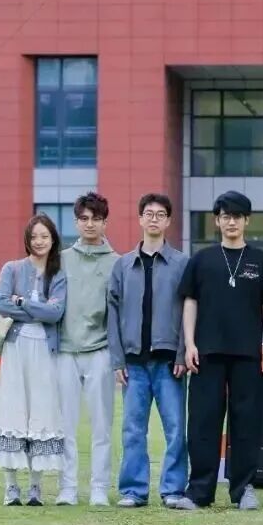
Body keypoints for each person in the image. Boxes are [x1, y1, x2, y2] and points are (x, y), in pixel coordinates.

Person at [174, 191, 263, 511]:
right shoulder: (201, 260)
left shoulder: (261, 261)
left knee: (246, 422)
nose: (231, 222)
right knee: (203, 422)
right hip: (207, 353)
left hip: (248, 354)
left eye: (237, 216)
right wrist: (190, 343)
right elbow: (190, 302)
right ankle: (199, 491)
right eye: (225, 217)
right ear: (217, 221)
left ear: (247, 220)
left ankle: (244, 488)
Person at [107, 194, 189, 509]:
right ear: (140, 219)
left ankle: (173, 489)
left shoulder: (181, 264)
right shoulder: (123, 265)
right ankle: (133, 490)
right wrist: (117, 359)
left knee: (175, 429)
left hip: (169, 363)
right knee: (132, 430)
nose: (154, 219)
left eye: (160, 214)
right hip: (133, 363)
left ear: (168, 221)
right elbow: (112, 314)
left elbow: (189, 312)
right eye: (149, 214)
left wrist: (182, 353)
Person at [0, 214, 68, 506]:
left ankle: (35, 487)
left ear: (53, 239)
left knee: (41, 413)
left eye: (44, 236)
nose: (39, 241)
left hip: (45, 352)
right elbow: (0, 303)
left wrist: (21, 302)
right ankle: (11, 487)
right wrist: (37, 308)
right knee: (12, 412)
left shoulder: (58, 275)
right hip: (14, 349)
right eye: (34, 237)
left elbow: (55, 314)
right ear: (27, 240)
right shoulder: (12, 268)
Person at [57, 192, 119, 506]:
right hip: (65, 352)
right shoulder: (61, 259)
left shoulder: (118, 263)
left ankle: (99, 489)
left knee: (101, 427)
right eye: (84, 218)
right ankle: (67, 489)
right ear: (76, 222)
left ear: (105, 222)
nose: (90, 224)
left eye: (96, 218)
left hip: (100, 351)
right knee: (64, 426)